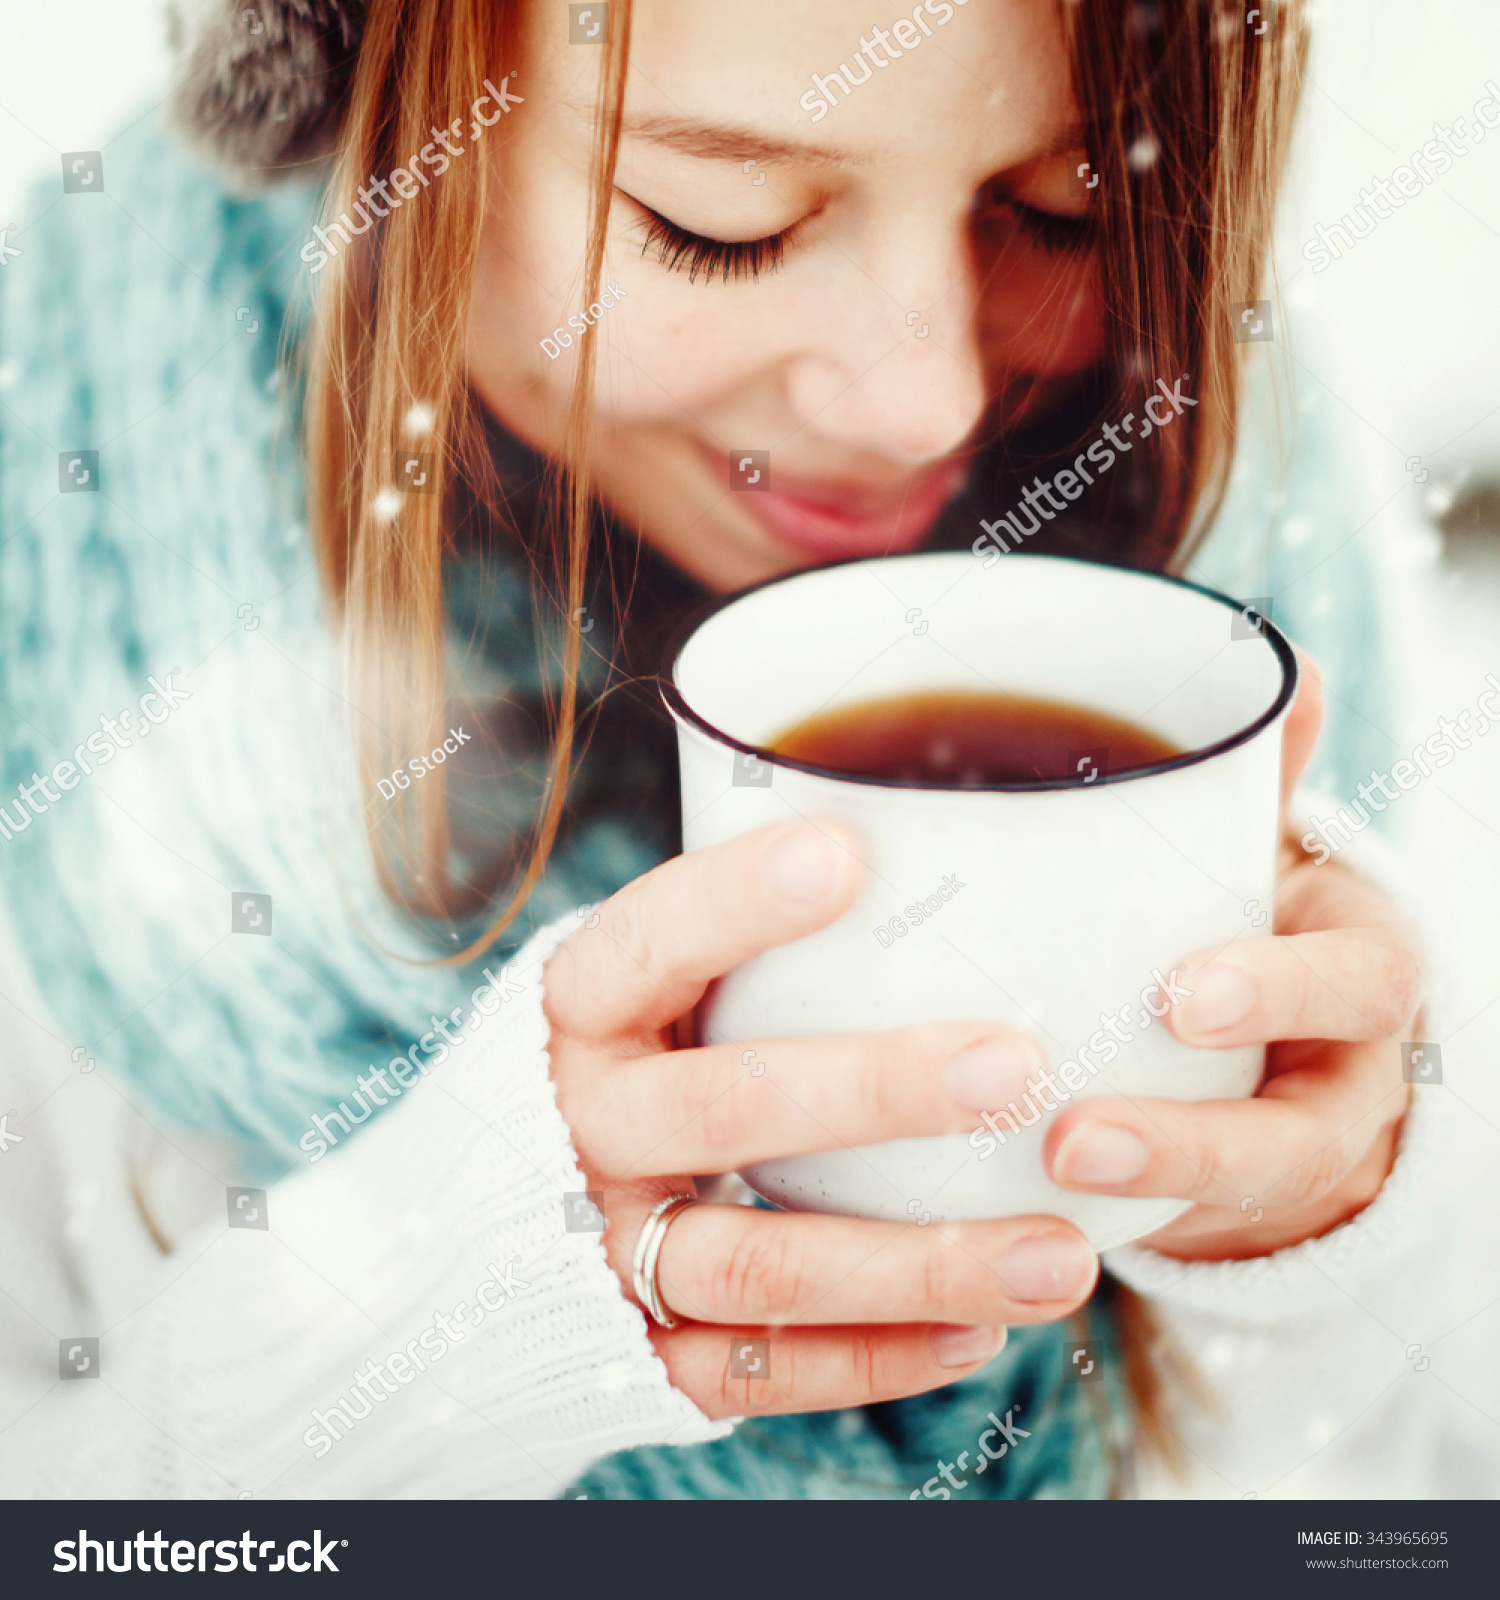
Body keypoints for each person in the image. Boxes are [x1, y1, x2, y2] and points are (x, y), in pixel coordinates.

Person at [0, 0, 1441, 1499]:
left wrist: (1314, 1251)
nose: (922, 402)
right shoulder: (53, 630)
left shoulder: (1277, 529)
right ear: (362, 106)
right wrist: (416, 1324)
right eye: (722, 225)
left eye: (1062, 212)